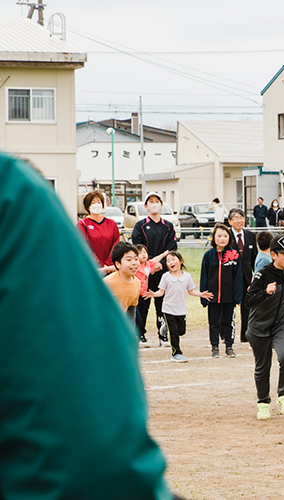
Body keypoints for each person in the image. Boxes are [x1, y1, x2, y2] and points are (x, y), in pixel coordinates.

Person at [0, 151, 181, 499]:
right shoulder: (15, 195)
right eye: (94, 202)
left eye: (101, 202)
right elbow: (92, 441)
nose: (98, 207)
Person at [245, 234, 284, 421]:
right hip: (259, 326)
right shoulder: (263, 274)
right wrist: (266, 292)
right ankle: (263, 403)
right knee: (263, 366)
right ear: (273, 255)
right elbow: (248, 300)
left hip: (282, 323)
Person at [145, 251, 212, 362]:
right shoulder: (166, 277)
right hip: (168, 309)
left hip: (181, 309)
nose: (171, 262)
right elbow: (161, 292)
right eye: (168, 261)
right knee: (174, 333)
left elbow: (191, 291)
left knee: (181, 331)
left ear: (180, 261)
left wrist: (202, 294)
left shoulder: (187, 276)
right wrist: (153, 294)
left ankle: (165, 326)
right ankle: (176, 353)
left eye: (173, 259)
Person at [132, 191, 178, 347]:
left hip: (162, 272)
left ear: (161, 204)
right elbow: (136, 248)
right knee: (142, 304)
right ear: (146, 206)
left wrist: (161, 265)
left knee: (162, 304)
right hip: (143, 273)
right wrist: (147, 266)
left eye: (156, 201)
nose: (154, 204)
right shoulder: (140, 226)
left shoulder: (168, 226)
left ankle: (163, 335)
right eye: (150, 201)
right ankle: (140, 335)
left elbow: (172, 249)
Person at [200, 223, 243, 359]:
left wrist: (238, 297)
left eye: (225, 236)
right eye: (219, 236)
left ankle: (229, 346)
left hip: (229, 297)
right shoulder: (208, 256)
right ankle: (215, 347)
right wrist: (204, 296)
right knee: (214, 323)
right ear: (214, 237)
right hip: (213, 296)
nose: (222, 239)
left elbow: (238, 277)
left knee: (228, 322)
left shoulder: (234, 255)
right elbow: (204, 277)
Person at [227, 208, 258, 343]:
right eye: (236, 218)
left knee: (247, 307)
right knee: (228, 307)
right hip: (230, 277)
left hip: (246, 278)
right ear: (230, 221)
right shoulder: (226, 235)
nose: (239, 221)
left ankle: (245, 334)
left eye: (241, 218)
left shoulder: (251, 235)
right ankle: (226, 334)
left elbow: (254, 259)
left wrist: (255, 276)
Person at [76, 189, 120, 274]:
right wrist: (99, 265)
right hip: (91, 268)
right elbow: (84, 246)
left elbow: (116, 244)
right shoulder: (83, 224)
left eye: (99, 202)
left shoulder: (112, 223)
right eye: (93, 202)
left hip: (110, 269)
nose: (97, 204)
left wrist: (108, 265)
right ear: (88, 206)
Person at [135, 245, 169, 343]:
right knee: (138, 317)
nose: (143, 255)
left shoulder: (148, 264)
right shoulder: (135, 265)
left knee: (143, 314)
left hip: (144, 294)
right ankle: (138, 334)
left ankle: (141, 335)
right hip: (135, 294)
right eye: (140, 253)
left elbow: (155, 259)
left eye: (145, 252)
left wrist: (164, 254)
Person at [103, 241, 141, 323]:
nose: (134, 263)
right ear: (118, 264)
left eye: (136, 259)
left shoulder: (137, 282)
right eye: (129, 259)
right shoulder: (108, 283)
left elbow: (131, 309)